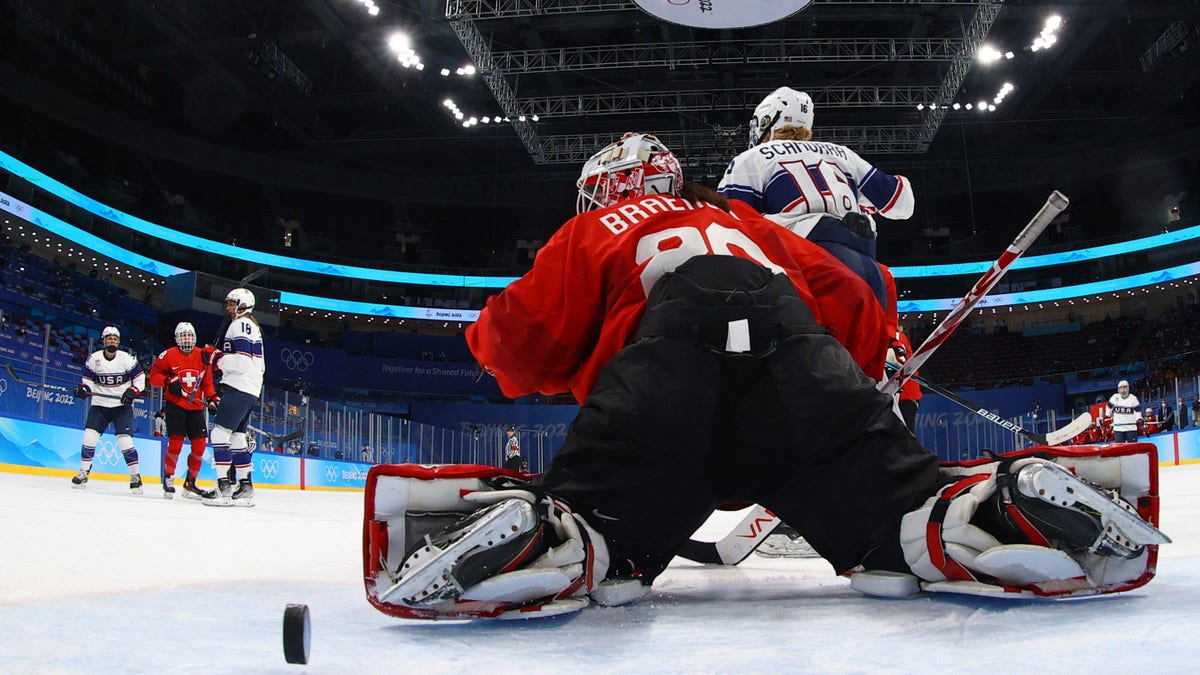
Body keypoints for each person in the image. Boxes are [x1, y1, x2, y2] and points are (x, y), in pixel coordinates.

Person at [364, 133, 1167, 620]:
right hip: (799, 362)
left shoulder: (597, 227)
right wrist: (854, 385)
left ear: (603, 189)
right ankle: (983, 508)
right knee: (901, 524)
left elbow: (514, 344)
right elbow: (859, 298)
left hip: (664, 377)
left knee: (604, 538)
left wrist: (535, 364)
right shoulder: (745, 222)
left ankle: (557, 536)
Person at [717, 87, 914, 308]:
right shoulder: (842, 154)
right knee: (872, 338)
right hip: (866, 268)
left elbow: (727, 225)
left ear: (767, 120)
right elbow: (902, 203)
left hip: (803, 268)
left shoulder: (750, 159)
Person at [203, 288, 264, 507]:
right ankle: (245, 486)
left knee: (219, 434)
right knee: (237, 437)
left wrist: (216, 357)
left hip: (239, 387)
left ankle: (223, 488)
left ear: (243, 304)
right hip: (249, 388)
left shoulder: (239, 325)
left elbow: (242, 362)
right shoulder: (250, 326)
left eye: (232, 303)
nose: (228, 308)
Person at [70, 326, 146, 493]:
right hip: (99, 405)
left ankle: (135, 477)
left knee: (124, 440)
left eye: (115, 339)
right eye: (109, 338)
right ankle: (83, 472)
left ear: (118, 341)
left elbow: (140, 379)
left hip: (121, 407)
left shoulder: (127, 359)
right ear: (103, 341)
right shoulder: (93, 359)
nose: (112, 341)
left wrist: (132, 391)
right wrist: (84, 389)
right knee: (89, 437)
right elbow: (87, 381)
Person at [148, 322, 217, 500]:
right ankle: (169, 478)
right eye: (183, 335)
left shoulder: (202, 355)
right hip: (176, 405)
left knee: (200, 446)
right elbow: (154, 377)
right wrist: (169, 381)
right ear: (177, 338)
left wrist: (212, 398)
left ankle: (190, 482)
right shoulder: (168, 355)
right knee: (176, 444)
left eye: (189, 335)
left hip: (196, 407)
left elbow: (207, 382)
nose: (187, 338)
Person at [892, 324, 922, 433]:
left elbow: (901, 361)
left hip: (904, 394)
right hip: (899, 393)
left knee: (904, 436)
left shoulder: (896, 336)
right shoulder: (895, 335)